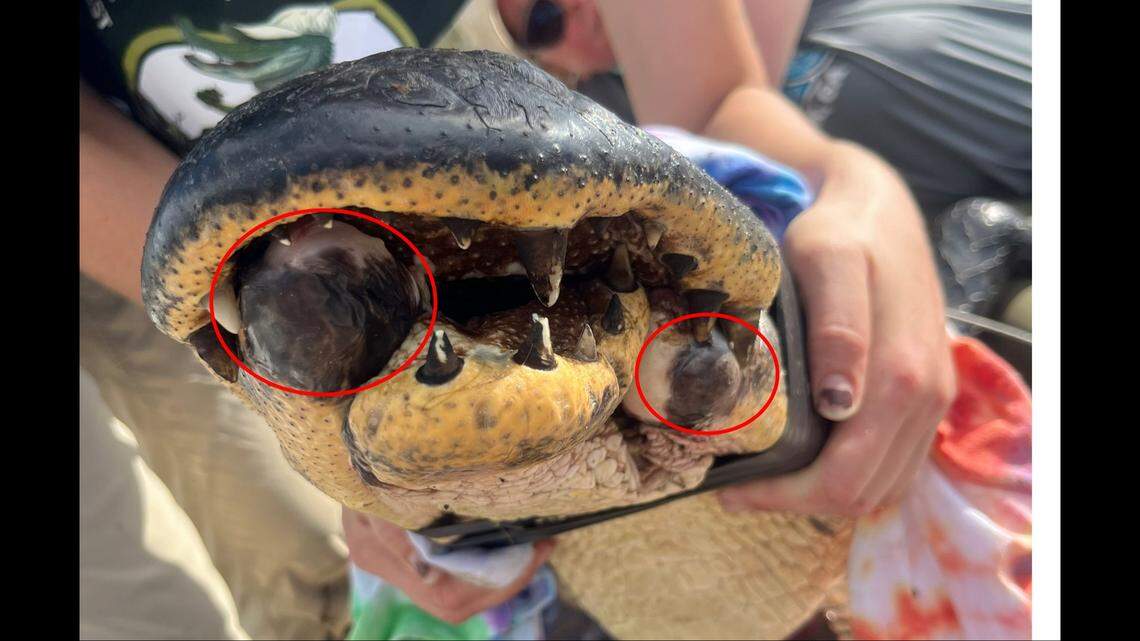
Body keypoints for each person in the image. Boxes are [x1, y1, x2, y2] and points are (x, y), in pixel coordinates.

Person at [80, 0, 962, 633]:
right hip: (130, 213)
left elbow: (711, 98)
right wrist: (300, 343)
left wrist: (851, 184)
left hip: (464, 143)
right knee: (292, 557)